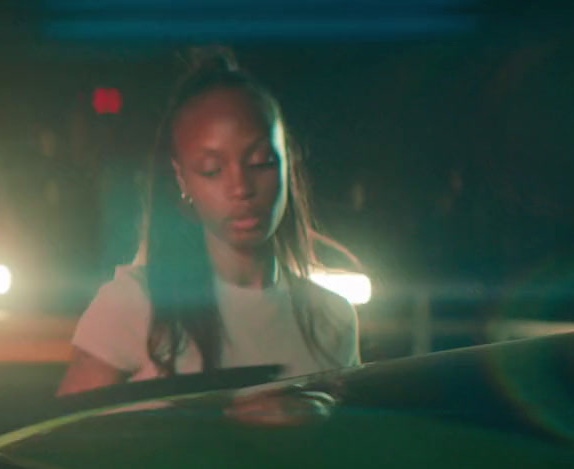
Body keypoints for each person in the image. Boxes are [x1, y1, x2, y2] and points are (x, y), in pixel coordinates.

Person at [59, 48, 361, 396]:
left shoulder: (330, 317)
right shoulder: (135, 304)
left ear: (287, 162)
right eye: (212, 170)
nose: (241, 188)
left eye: (260, 162)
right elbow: (61, 440)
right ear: (182, 179)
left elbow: (351, 443)